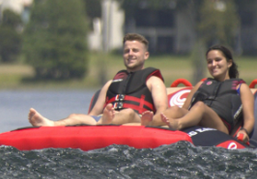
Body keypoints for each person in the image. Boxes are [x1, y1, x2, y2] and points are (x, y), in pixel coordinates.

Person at [27, 34, 169, 128]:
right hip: (104, 120)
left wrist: (152, 124)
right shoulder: (110, 84)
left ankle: (105, 122)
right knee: (75, 116)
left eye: (135, 50)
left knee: (128, 113)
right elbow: (93, 114)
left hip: (138, 121)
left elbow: (162, 109)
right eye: (126, 51)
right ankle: (52, 124)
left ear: (146, 55)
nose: (130, 54)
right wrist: (83, 121)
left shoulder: (154, 81)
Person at [161, 44, 255, 143]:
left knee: (200, 106)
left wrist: (244, 131)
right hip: (196, 123)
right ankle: (148, 123)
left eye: (218, 60)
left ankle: (178, 124)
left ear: (229, 63)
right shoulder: (201, 84)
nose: (213, 64)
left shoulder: (240, 87)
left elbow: (249, 118)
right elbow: (184, 110)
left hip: (220, 128)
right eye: (209, 62)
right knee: (176, 109)